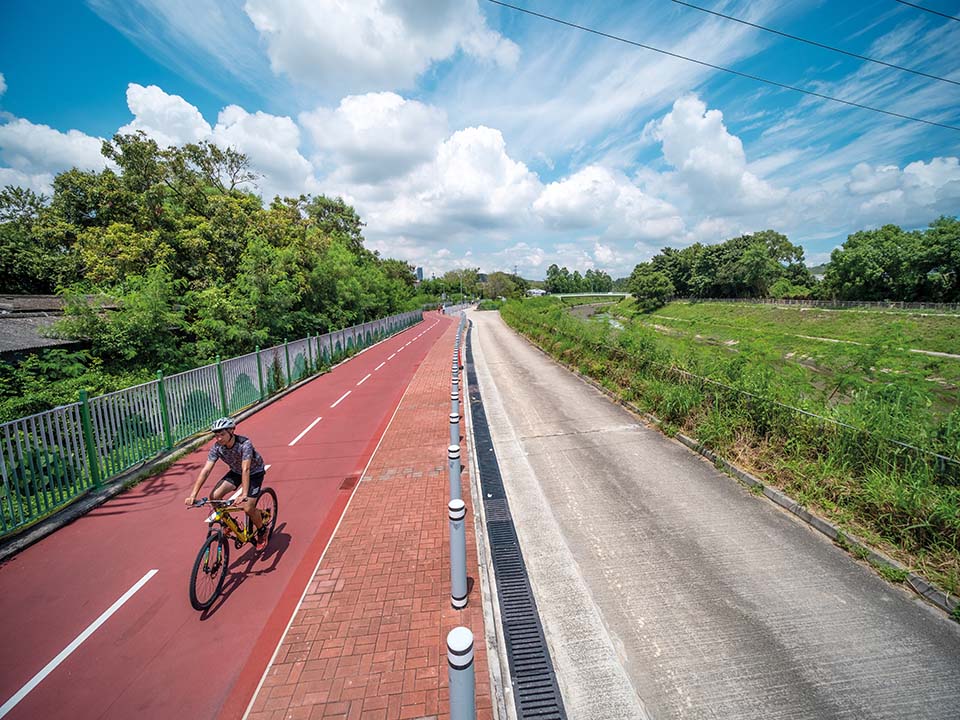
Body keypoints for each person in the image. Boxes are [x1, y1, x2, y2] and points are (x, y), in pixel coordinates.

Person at [186, 417, 269, 549]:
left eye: (222, 434)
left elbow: (246, 468)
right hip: (236, 472)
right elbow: (206, 470)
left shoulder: (244, 444)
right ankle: (228, 524)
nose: (219, 438)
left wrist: (244, 494)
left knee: (248, 508)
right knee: (214, 497)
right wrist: (193, 495)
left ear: (231, 431)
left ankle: (262, 530)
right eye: (216, 435)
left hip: (254, 473)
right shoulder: (217, 448)